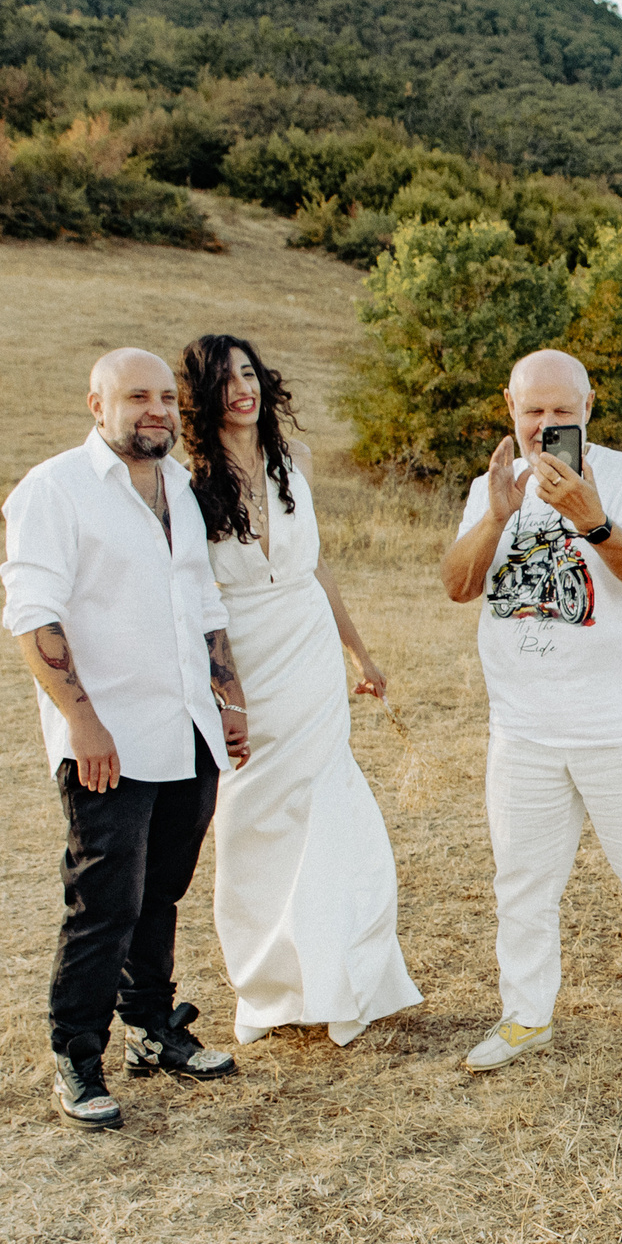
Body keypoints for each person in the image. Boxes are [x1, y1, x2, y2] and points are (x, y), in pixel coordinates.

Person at [1, 349, 253, 1130]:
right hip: (108, 738)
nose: (158, 410)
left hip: (187, 727)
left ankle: (151, 1029)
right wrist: (83, 723)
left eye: (167, 398)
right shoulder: (54, 489)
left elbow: (202, 598)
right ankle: (78, 1054)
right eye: (137, 396)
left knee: (162, 891)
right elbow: (32, 615)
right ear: (95, 404)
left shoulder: (176, 483)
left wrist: (229, 695)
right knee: (103, 900)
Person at [439, 348, 622, 1069]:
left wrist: (594, 519)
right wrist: (495, 517)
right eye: (532, 411)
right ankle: (525, 1016)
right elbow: (458, 584)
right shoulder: (492, 484)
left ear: (588, 408)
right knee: (521, 882)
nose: (545, 424)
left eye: (560, 410)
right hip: (524, 729)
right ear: (511, 410)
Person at [182, 333, 422, 1047]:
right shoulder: (188, 482)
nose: (241, 391)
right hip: (245, 653)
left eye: (249, 375)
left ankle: (344, 971)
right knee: (253, 810)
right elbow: (194, 597)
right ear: (206, 397)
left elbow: (317, 570)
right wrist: (223, 690)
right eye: (225, 382)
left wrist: (362, 653)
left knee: (326, 801)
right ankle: (269, 984)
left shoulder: (291, 466)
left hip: (309, 648)